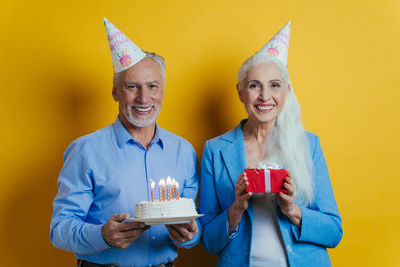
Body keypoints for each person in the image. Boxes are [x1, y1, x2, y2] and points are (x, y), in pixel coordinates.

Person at [50, 18, 200, 267]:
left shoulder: (183, 152)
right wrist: (102, 236)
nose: (144, 98)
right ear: (115, 91)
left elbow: (195, 229)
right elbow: (59, 229)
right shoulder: (85, 151)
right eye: (132, 86)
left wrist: (189, 237)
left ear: (162, 91)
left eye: (152, 86)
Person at [199, 21, 343, 267]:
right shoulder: (215, 150)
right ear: (240, 92)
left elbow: (333, 231)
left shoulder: (309, 145)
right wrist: (236, 208)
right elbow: (209, 243)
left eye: (274, 85)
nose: (265, 96)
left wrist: (292, 209)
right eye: (255, 86)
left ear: (286, 90)